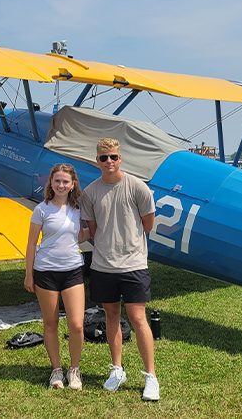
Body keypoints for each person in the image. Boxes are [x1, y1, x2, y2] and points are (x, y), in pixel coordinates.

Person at [80, 138, 161, 401]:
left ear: (120, 158)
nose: (109, 162)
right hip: (103, 265)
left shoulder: (137, 187)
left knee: (138, 319)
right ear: (97, 161)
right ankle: (118, 369)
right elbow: (92, 231)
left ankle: (151, 376)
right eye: (104, 158)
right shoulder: (90, 192)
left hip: (134, 264)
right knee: (111, 316)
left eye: (113, 157)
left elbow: (147, 225)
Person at [24, 163, 91, 390]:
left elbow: (78, 236)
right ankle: (56, 370)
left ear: (73, 185)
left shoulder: (77, 210)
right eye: (57, 181)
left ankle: (74, 370)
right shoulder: (41, 209)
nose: (61, 185)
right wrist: (29, 274)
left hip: (72, 270)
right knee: (50, 323)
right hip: (46, 272)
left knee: (76, 325)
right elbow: (32, 243)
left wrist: (97, 227)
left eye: (66, 181)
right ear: (50, 183)